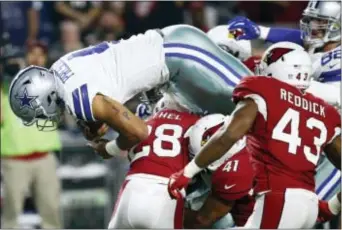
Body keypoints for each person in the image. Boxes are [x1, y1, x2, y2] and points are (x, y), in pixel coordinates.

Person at [8, 24, 252, 159]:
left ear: (47, 96)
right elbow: (108, 86)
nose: (44, 118)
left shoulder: (78, 98)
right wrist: (94, 124)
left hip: (179, 56)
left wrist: (109, 149)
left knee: (262, 105)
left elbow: (138, 131)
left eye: (38, 113)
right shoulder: (59, 68)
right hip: (170, 73)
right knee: (229, 139)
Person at [167, 42, 341, 229]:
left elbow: (229, 134)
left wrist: (188, 172)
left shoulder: (264, 89)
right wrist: (334, 205)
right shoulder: (325, 111)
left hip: (279, 198)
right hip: (309, 204)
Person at [227, 0, 341, 210]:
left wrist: (285, 86)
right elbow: (298, 39)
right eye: (311, 20)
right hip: (312, 139)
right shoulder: (319, 47)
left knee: (312, 206)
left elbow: (337, 95)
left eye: (320, 22)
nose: (312, 27)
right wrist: (259, 31)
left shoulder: (337, 58)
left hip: (335, 144)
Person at [107, 96, 200, 228]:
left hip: (132, 186)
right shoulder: (198, 123)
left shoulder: (144, 121)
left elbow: (130, 154)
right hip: (168, 190)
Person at [1, 36, 61, 228]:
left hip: (45, 158)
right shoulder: (4, 86)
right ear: (24, 57)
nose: (36, 58)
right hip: (14, 160)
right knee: (11, 214)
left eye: (40, 55)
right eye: (31, 54)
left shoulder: (51, 83)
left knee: (51, 211)